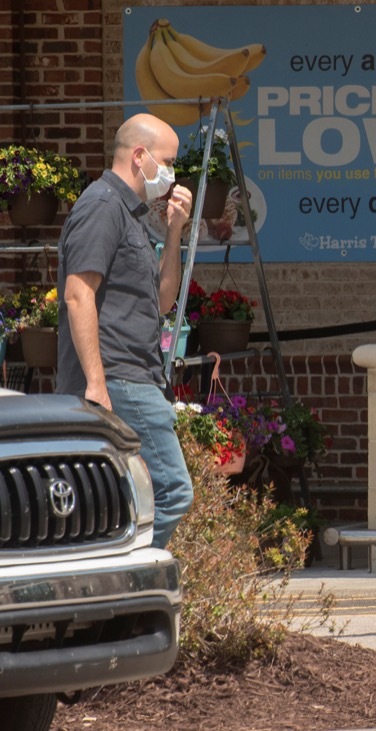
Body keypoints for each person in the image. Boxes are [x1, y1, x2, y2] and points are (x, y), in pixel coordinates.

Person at [56, 113, 195, 550]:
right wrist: (97, 383)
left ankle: (115, 582)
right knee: (172, 490)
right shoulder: (101, 206)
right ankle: (129, 580)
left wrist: (174, 232)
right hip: (121, 378)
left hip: (138, 377)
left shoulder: (130, 215)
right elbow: (78, 294)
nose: (171, 176)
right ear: (140, 156)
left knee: (124, 498)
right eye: (167, 162)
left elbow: (162, 303)